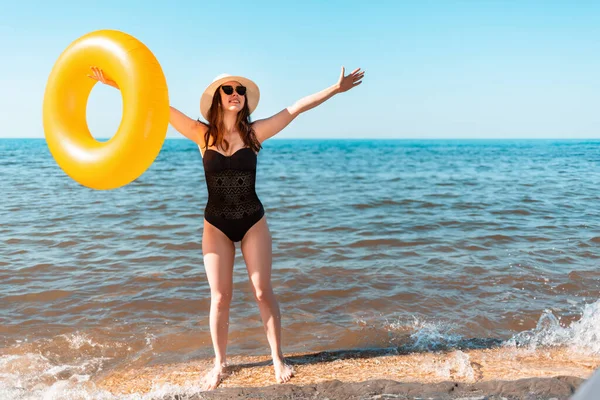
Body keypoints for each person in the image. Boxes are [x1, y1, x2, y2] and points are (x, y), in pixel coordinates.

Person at [88, 66, 365, 390]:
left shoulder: (255, 134)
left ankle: (277, 357)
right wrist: (116, 84)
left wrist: (334, 89)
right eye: (228, 89)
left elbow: (296, 108)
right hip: (215, 227)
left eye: (240, 90)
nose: (235, 94)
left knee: (262, 291)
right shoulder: (200, 134)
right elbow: (155, 105)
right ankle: (220, 362)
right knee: (220, 298)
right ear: (217, 98)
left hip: (253, 223)